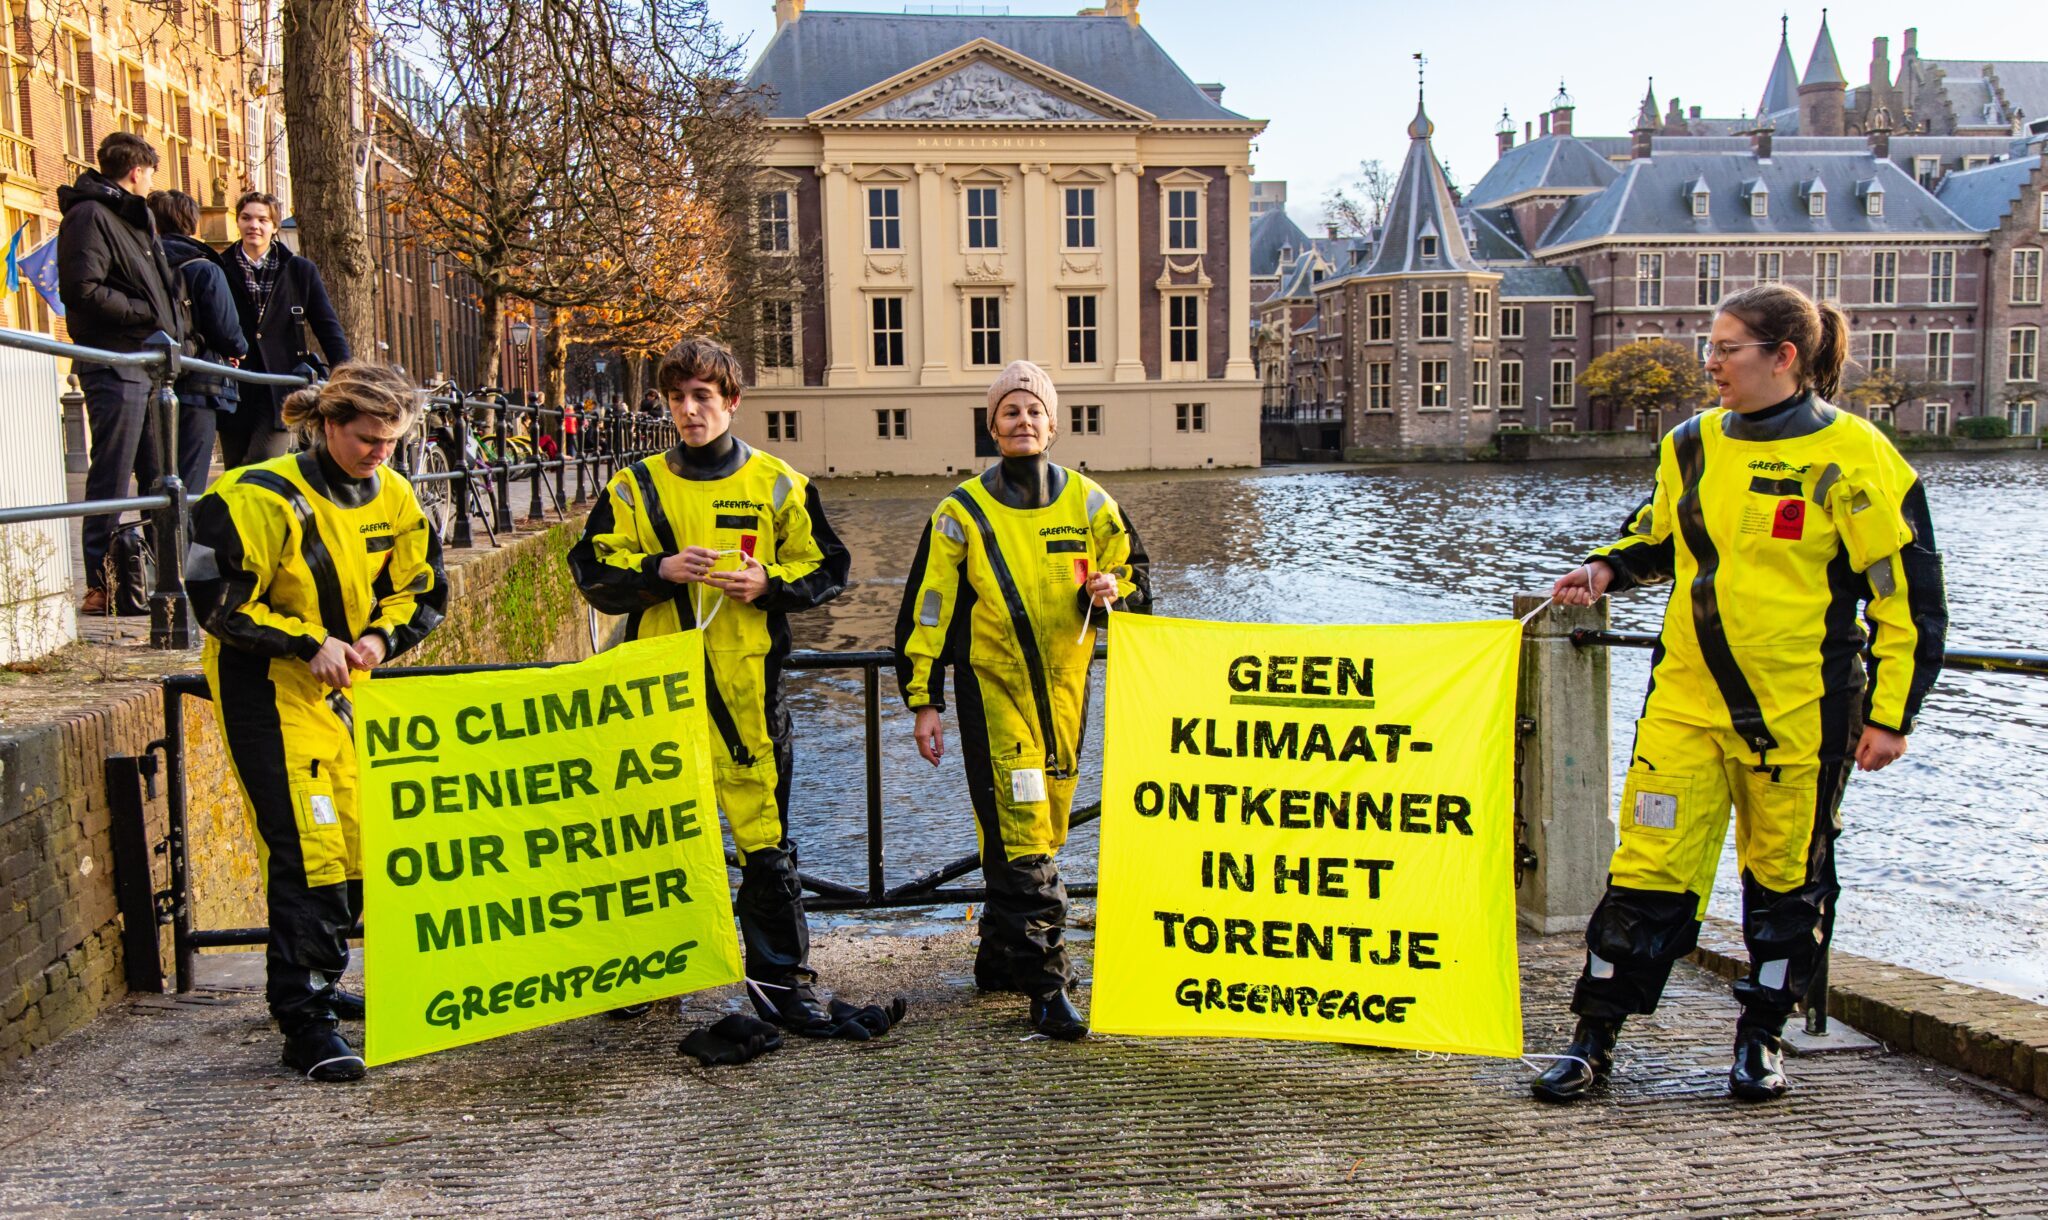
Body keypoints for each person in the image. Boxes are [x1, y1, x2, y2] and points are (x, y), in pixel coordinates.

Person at [1529, 284, 1947, 1104]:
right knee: (1645, 873)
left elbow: (1908, 600)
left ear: (1783, 357)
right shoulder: (1689, 444)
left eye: (1726, 349)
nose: (1710, 363)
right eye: (1707, 347)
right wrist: (1606, 567)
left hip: (1801, 713)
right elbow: (1660, 534)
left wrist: (1892, 717)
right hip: (1685, 702)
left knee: (1785, 882)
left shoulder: (1858, 457)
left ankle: (1761, 1039)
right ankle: (1593, 1039)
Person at [567, 337, 851, 1034]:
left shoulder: (776, 483)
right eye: (678, 398)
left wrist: (769, 583)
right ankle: (643, 971)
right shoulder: (634, 488)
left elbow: (829, 567)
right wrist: (659, 569)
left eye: (703, 397)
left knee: (766, 844)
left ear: (732, 402)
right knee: (649, 837)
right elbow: (593, 570)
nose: (690, 411)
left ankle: (778, 981)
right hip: (656, 698)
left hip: (748, 697)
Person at [189, 362, 448, 1081]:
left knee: (361, 839)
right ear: (328, 425)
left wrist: (380, 639)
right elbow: (217, 599)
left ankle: (321, 984)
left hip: (345, 689)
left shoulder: (393, 494)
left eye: (392, 442)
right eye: (367, 439)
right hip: (269, 689)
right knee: (311, 846)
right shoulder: (254, 497)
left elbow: (421, 585)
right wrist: (308, 643)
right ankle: (303, 1022)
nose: (380, 454)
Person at [895, 360, 1149, 1040]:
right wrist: (925, 701)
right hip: (993, 690)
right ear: (992, 424)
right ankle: (1048, 984)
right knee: (1025, 829)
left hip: (1067, 691)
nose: (1023, 420)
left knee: (1041, 825)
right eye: (1010, 410)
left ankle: (1002, 959)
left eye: (1034, 410)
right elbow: (928, 613)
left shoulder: (1091, 505)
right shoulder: (960, 513)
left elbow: (1141, 581)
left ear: (1054, 423)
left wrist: (1117, 590)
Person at [56, 131, 189, 614]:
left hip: (153, 368)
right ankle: (103, 584)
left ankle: (163, 582)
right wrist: (145, 314)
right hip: (116, 364)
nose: (152, 180)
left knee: (160, 478)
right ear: (137, 172)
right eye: (151, 171)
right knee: (111, 475)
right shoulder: (89, 216)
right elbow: (83, 290)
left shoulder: (136, 220)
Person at [219, 190, 352, 468]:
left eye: (262, 219)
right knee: (234, 467)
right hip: (234, 384)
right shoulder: (220, 267)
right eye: (246, 218)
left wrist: (346, 375)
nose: (254, 225)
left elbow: (327, 326)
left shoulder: (298, 270)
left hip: (279, 386)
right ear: (238, 222)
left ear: (274, 226)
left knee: (261, 461)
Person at [147, 189, 247, 497]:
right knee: (188, 480)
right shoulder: (203, 267)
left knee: (155, 478)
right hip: (198, 384)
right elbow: (228, 332)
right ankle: (181, 543)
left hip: (148, 380)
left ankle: (157, 543)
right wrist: (239, 350)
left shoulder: (142, 264)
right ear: (191, 222)